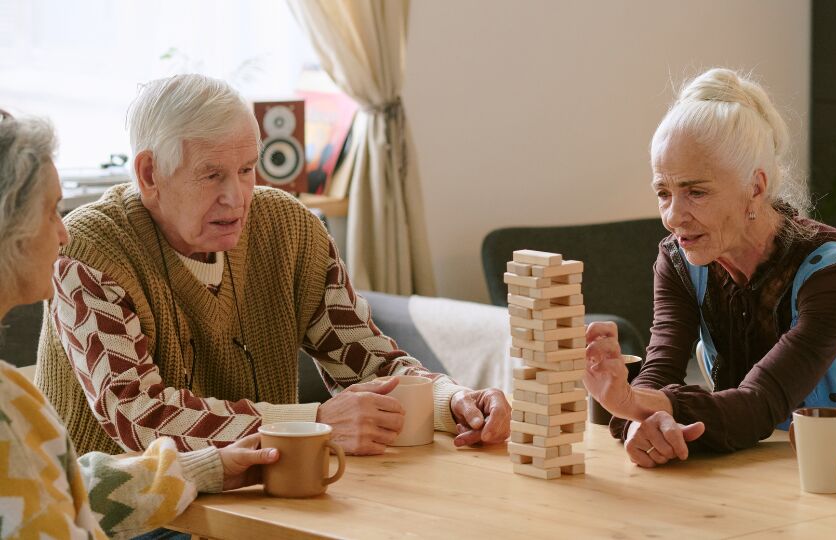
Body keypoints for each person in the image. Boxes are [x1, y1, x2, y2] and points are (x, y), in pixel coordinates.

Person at [35, 74, 510, 457]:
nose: (236, 197)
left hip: (260, 494)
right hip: (113, 517)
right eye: (211, 174)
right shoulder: (87, 250)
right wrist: (314, 423)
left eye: (246, 170)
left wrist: (454, 401)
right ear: (149, 174)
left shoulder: (288, 227)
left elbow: (366, 361)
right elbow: (139, 418)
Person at [583, 68, 836, 468]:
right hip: (747, 468)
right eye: (663, 193)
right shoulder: (678, 259)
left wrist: (633, 403)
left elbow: (760, 403)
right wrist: (639, 423)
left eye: (696, 192)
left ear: (755, 187)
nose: (673, 216)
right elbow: (661, 368)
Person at [0, 109, 279, 538]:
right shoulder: (8, 404)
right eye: (51, 210)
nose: (63, 232)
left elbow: (69, 487)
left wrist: (208, 468)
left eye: (246, 170)